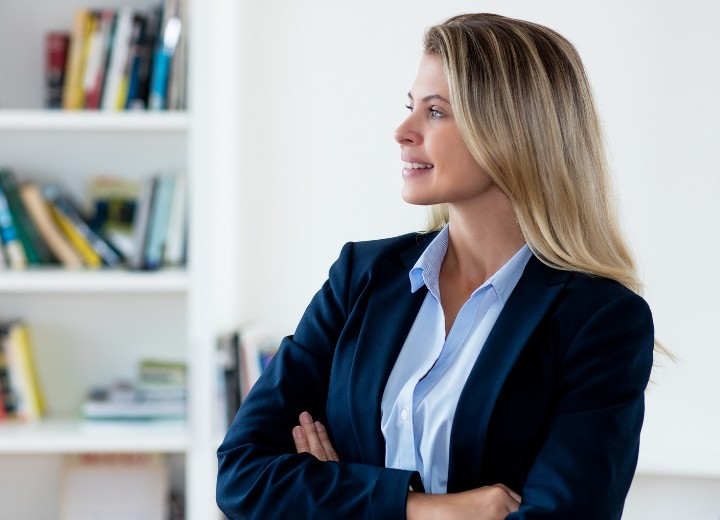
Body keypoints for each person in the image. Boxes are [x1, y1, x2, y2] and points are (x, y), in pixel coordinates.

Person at [216, 13, 656, 520]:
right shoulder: (360, 276)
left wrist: (331, 489)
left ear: (513, 130)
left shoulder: (600, 321)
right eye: (410, 108)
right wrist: (426, 508)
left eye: (436, 112)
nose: (403, 131)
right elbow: (241, 474)